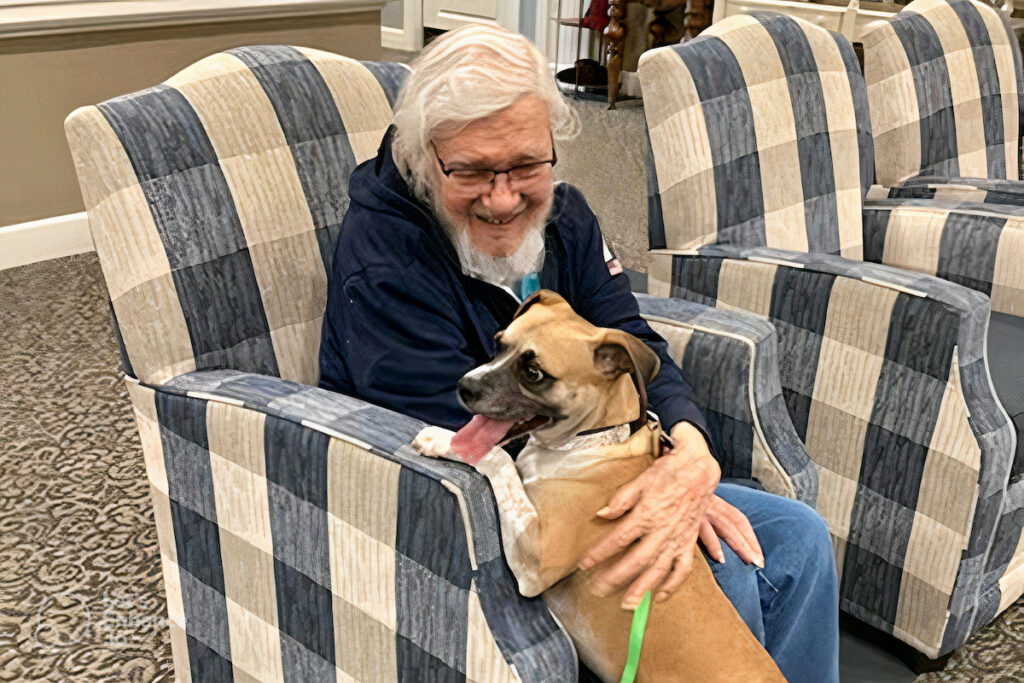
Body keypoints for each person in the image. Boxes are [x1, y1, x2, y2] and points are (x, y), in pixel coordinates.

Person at [319, 23, 839, 683]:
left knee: (799, 537)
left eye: (527, 165)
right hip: (470, 509)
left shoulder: (565, 217)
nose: (505, 198)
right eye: (474, 170)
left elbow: (632, 341)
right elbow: (465, 435)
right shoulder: (385, 260)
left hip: (585, 467)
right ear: (426, 159)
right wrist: (637, 484)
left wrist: (688, 459)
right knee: (712, 576)